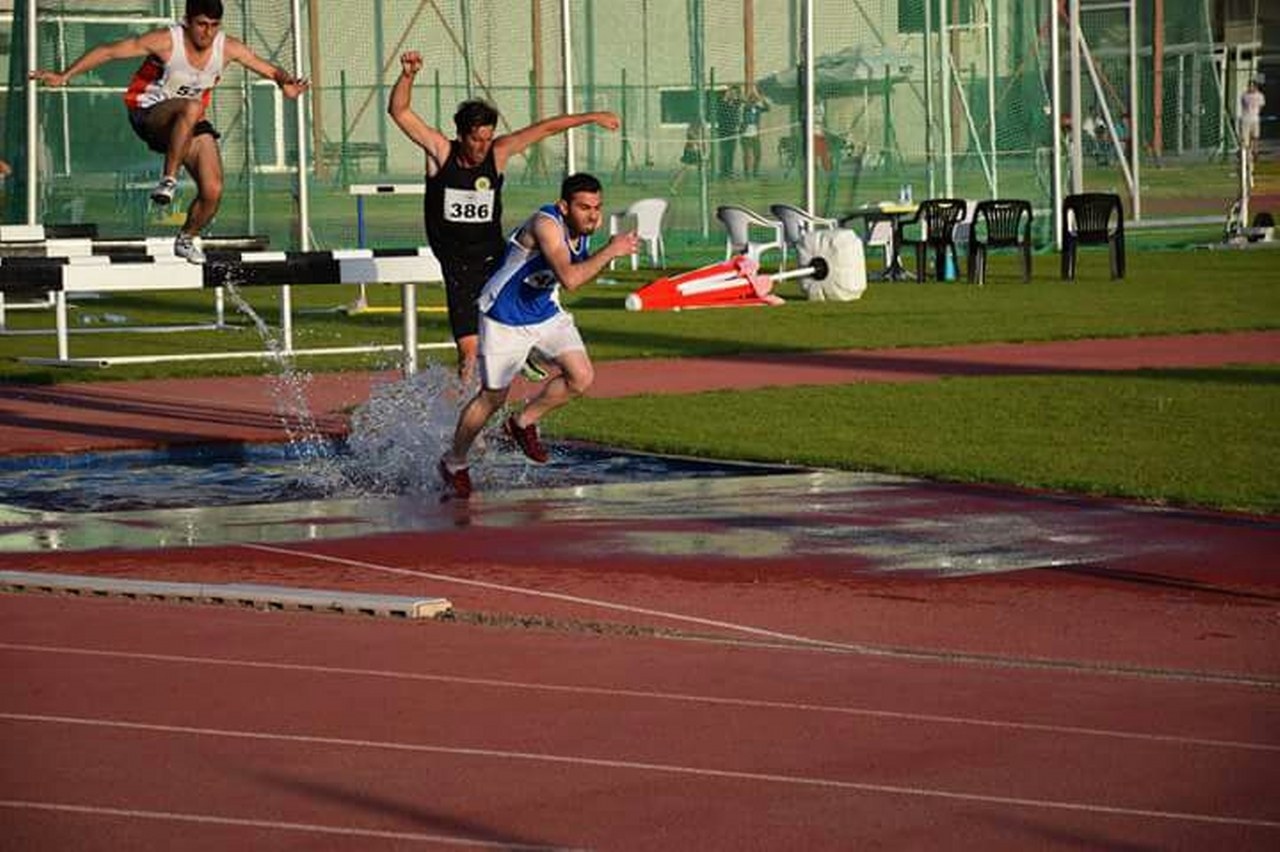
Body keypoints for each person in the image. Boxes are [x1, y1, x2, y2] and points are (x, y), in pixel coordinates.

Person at [388, 50, 621, 385]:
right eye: (475, 139)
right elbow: (399, 111)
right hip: (457, 267)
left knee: (522, 314)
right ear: (461, 135)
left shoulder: (497, 153)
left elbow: (545, 129)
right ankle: (469, 424)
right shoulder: (441, 152)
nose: (482, 146)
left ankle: (526, 354)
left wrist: (591, 117)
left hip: (496, 259)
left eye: (487, 138)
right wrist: (408, 76)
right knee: (469, 352)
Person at [28, 0, 308, 264]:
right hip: (149, 111)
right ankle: (169, 180)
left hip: (190, 119)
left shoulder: (228, 47)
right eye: (201, 24)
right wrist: (65, 75)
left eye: (214, 25)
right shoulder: (165, 40)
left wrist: (285, 83)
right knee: (191, 107)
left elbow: (269, 69)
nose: (207, 32)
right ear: (187, 22)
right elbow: (108, 50)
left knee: (213, 190)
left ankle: (187, 237)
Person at [437, 173, 639, 499]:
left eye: (597, 207)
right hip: (504, 315)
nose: (593, 215)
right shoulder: (546, 224)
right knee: (492, 397)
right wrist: (611, 251)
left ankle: (521, 422)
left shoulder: (584, 228)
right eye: (584, 207)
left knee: (581, 377)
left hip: (544, 311)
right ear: (564, 206)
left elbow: (571, 272)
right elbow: (572, 279)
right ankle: (454, 462)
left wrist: (603, 249)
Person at [713, 85, 744, 179]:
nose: (733, 95)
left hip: (733, 131)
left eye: (735, 93)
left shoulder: (736, 103)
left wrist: (737, 93)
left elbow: (743, 99)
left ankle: (729, 171)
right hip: (724, 131)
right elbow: (722, 103)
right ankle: (723, 172)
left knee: (731, 152)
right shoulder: (722, 103)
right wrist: (728, 93)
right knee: (724, 152)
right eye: (732, 93)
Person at [739, 87, 770, 179]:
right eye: (751, 98)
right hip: (745, 135)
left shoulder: (757, 108)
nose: (753, 100)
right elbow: (745, 103)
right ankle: (746, 172)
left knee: (758, 154)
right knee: (747, 155)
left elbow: (767, 108)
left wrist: (762, 98)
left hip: (755, 135)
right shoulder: (746, 107)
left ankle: (755, 172)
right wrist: (748, 99)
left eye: (754, 99)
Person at [669, 121, 706, 193]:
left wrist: (700, 145)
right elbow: (690, 134)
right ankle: (674, 186)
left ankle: (703, 187)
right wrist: (697, 141)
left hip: (695, 150)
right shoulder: (693, 125)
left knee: (701, 168)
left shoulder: (700, 125)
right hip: (691, 151)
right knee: (685, 169)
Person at [1239, 79, 1265, 155]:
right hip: (1246, 119)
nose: (1250, 87)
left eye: (1252, 86)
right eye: (1249, 86)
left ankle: (1255, 150)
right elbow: (1243, 104)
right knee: (1245, 137)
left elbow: (1261, 106)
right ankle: (1245, 152)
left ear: (1255, 87)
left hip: (1255, 119)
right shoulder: (1244, 95)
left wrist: (1256, 113)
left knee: (1255, 136)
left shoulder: (1260, 96)